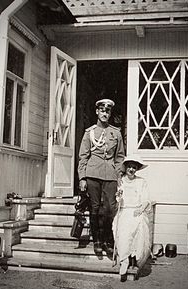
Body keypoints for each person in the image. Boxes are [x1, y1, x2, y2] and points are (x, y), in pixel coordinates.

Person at [78, 99, 125, 255]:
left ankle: (108, 240)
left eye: (108, 111)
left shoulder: (116, 133)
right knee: (95, 208)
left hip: (110, 174)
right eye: (102, 111)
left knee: (110, 209)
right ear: (97, 111)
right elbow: (83, 156)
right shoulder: (89, 133)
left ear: (110, 113)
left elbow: (119, 157)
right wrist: (82, 178)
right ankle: (97, 241)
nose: (105, 114)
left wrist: (119, 177)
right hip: (92, 174)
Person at [112, 154, 151, 280]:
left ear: (137, 169)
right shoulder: (121, 180)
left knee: (138, 228)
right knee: (122, 229)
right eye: (129, 167)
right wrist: (118, 196)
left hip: (136, 211)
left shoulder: (141, 182)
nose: (131, 170)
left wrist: (140, 210)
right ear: (126, 167)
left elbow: (146, 200)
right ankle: (124, 260)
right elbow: (118, 200)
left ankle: (134, 258)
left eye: (134, 167)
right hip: (124, 210)